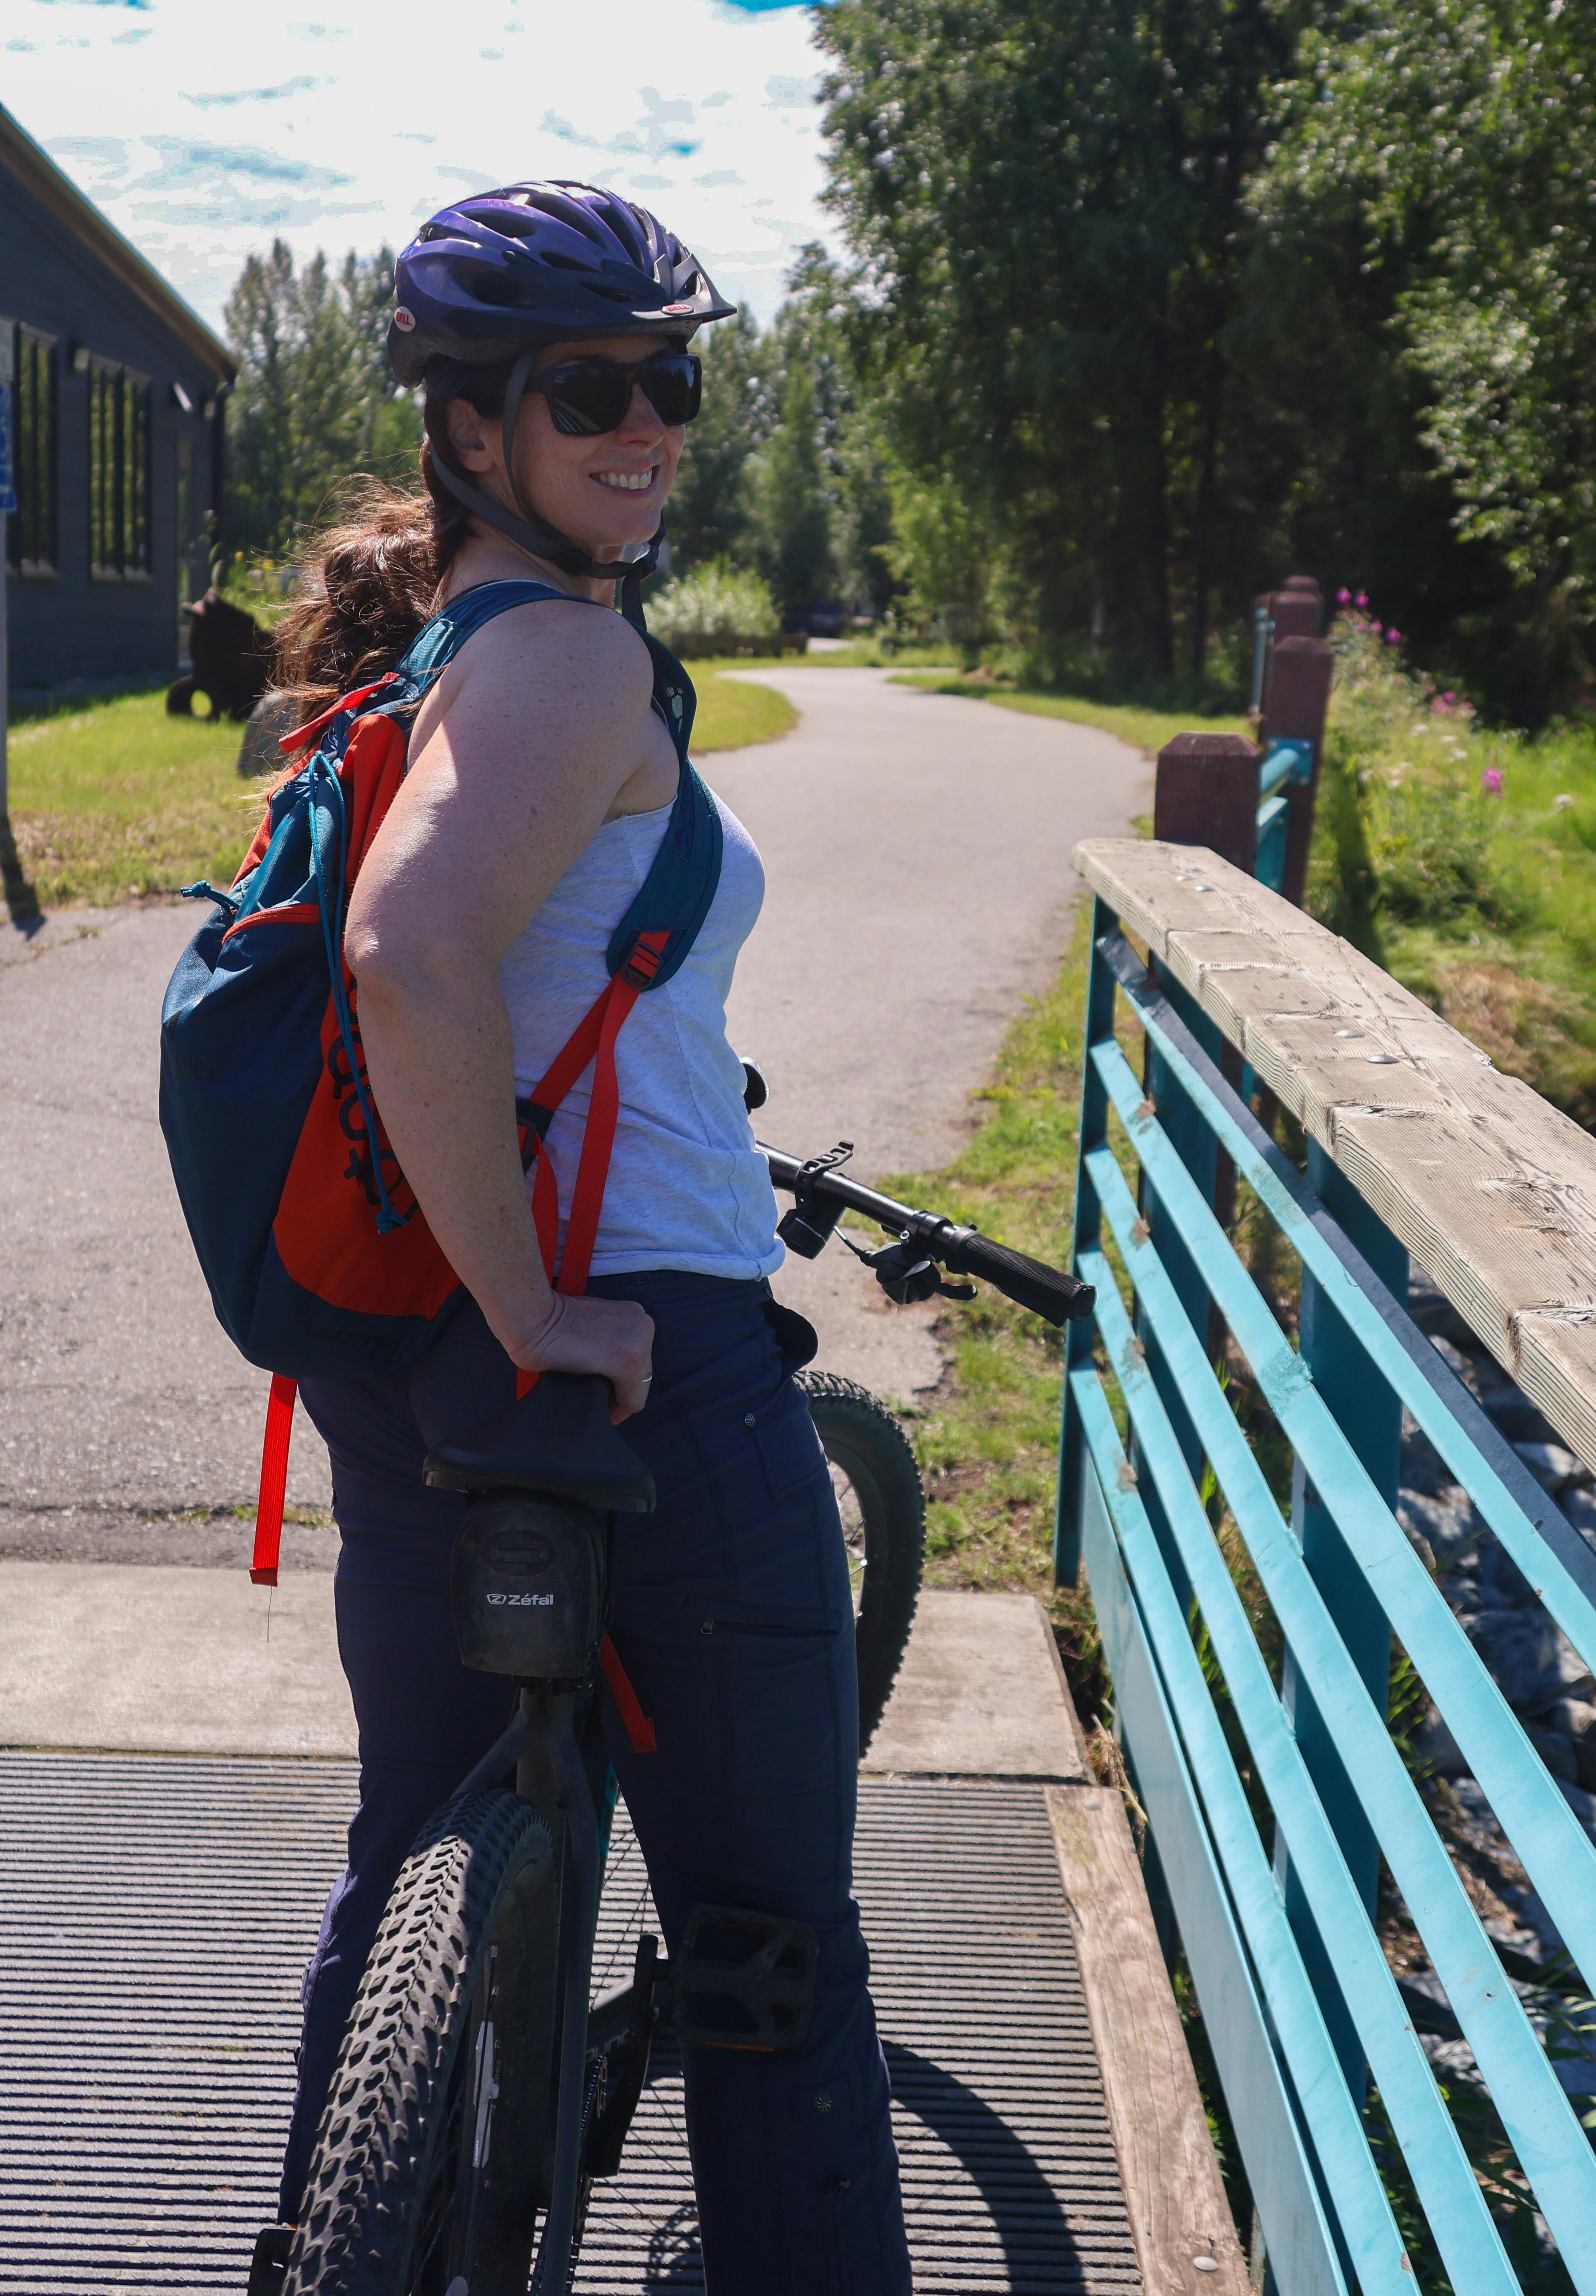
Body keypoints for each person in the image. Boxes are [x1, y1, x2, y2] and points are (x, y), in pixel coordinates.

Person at [248, 183, 910, 2291]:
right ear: (472, 431)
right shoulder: (572, 658)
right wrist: (550, 1294)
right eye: (591, 391)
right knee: (765, 1944)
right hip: (650, 1374)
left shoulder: (437, 657)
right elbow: (411, 951)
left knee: (401, 1871)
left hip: (420, 1374)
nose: (652, 427)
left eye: (673, 380)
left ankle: (338, 2246)